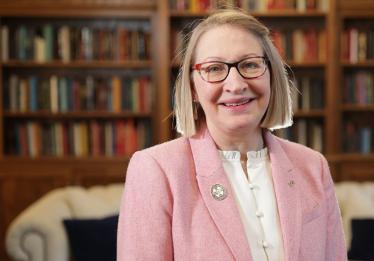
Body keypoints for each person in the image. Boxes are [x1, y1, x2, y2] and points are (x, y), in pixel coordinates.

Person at [117, 8, 347, 261]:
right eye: (214, 69)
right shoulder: (156, 169)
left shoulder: (313, 166)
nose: (236, 85)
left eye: (249, 65)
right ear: (193, 88)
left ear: (271, 75)